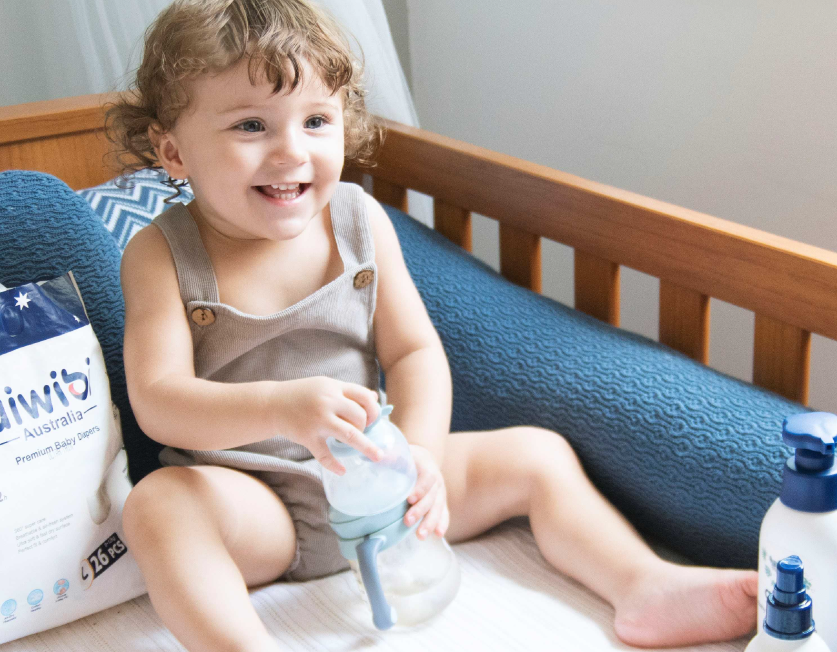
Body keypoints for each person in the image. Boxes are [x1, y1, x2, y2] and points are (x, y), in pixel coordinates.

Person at [112, 1, 758, 650]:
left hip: (382, 477)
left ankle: (642, 583)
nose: (292, 151)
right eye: (251, 125)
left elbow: (414, 352)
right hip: (259, 504)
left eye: (315, 121)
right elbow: (160, 402)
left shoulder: (358, 220)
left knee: (537, 454)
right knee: (159, 506)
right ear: (174, 152)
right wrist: (282, 408)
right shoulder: (161, 255)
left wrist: (418, 456)